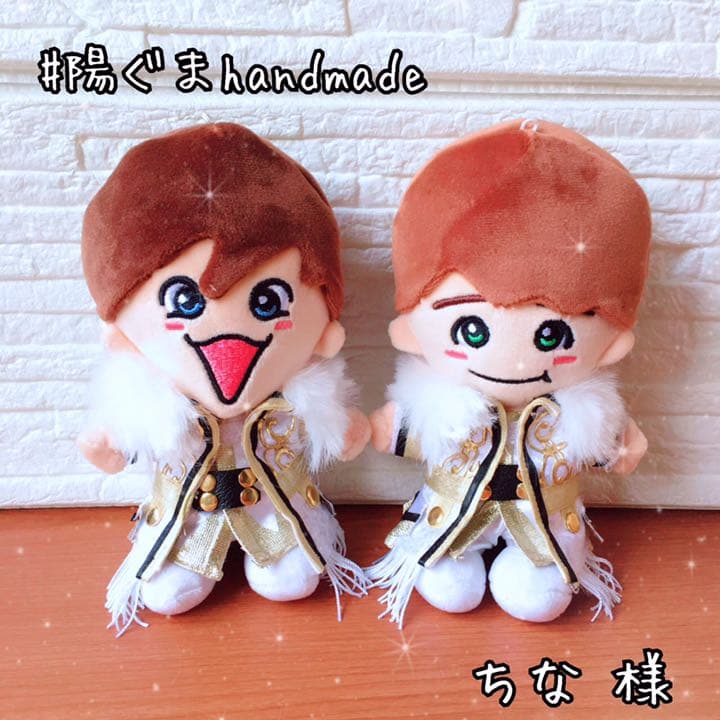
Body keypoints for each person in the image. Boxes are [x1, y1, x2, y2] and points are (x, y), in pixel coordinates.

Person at [78, 123, 370, 635]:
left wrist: (342, 427)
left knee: (292, 579)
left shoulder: (297, 399)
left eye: (268, 302)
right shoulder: (150, 402)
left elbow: (335, 431)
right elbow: (120, 440)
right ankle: (184, 553)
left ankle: (281, 545)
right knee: (168, 592)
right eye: (185, 301)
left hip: (279, 514)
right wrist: (110, 442)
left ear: (325, 331)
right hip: (185, 521)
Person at [367, 119, 651, 627]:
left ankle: (534, 569)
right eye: (471, 329)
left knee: (537, 595)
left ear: (612, 344)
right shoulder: (438, 408)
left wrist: (623, 446)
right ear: (411, 332)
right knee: (449, 584)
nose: (518, 361)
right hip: (451, 519)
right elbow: (393, 431)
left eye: (552, 335)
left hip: (546, 528)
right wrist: (370, 427)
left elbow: (612, 449)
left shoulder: (581, 417)